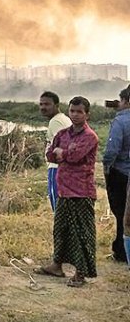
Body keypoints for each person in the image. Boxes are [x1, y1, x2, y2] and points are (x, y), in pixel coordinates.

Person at [37, 96, 99, 287]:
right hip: (64, 189)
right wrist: (61, 153)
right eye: (72, 111)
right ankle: (57, 266)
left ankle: (81, 273)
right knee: (61, 230)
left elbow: (74, 156)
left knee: (81, 233)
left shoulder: (90, 136)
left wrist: (61, 153)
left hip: (81, 191)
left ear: (87, 114)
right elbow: (50, 154)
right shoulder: (63, 134)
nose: (75, 115)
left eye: (79, 112)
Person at [103, 84, 130, 262]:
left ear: (127, 101)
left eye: (120, 100)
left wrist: (106, 167)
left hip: (122, 173)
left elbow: (112, 150)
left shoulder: (121, 120)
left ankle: (121, 251)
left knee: (121, 213)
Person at [39, 91, 72, 211]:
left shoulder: (56, 122)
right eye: (41, 104)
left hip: (56, 168)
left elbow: (61, 147)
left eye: (47, 104)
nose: (43, 107)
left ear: (56, 105)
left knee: (57, 208)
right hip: (64, 169)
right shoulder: (63, 119)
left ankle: (60, 230)